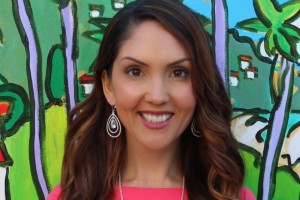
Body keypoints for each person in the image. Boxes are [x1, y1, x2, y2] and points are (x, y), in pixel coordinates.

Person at [47, 0, 256, 199]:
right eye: (135, 71)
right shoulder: (70, 197)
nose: (157, 96)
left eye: (179, 72)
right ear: (108, 86)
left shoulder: (232, 197)